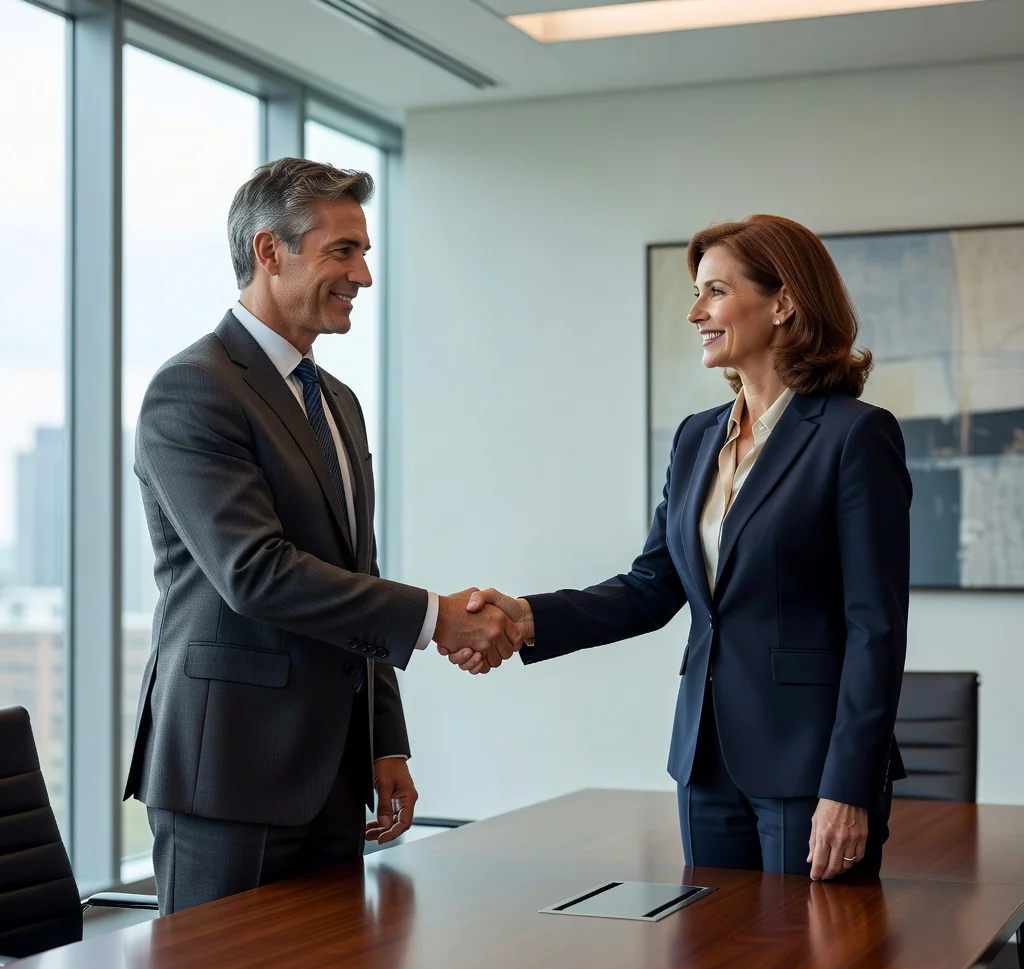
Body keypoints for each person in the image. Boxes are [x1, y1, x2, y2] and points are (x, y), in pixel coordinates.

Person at [441, 214, 912, 881]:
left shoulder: (854, 436)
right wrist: (526, 617)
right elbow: (652, 586)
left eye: (716, 292)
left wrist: (849, 786)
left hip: (812, 768)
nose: (695, 313)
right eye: (697, 294)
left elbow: (877, 628)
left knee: (810, 949)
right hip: (705, 759)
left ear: (782, 303)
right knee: (711, 948)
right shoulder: (697, 438)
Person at [124, 157, 522, 914]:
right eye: (343, 251)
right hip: (230, 773)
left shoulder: (336, 401)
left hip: (335, 775)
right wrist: (437, 618)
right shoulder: (194, 389)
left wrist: (385, 741)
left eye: (363, 252)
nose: (363, 275)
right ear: (269, 251)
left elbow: (356, 576)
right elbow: (255, 572)